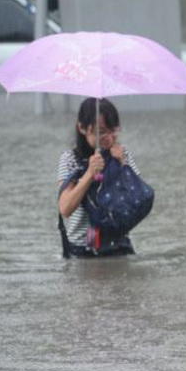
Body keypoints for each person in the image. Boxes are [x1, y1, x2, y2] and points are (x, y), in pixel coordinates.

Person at [57, 97, 140, 257]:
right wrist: (89, 173)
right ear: (81, 127)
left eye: (113, 130)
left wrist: (122, 165)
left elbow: (137, 200)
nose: (109, 137)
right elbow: (65, 209)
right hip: (83, 248)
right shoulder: (70, 159)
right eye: (101, 131)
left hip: (119, 244)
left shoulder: (123, 154)